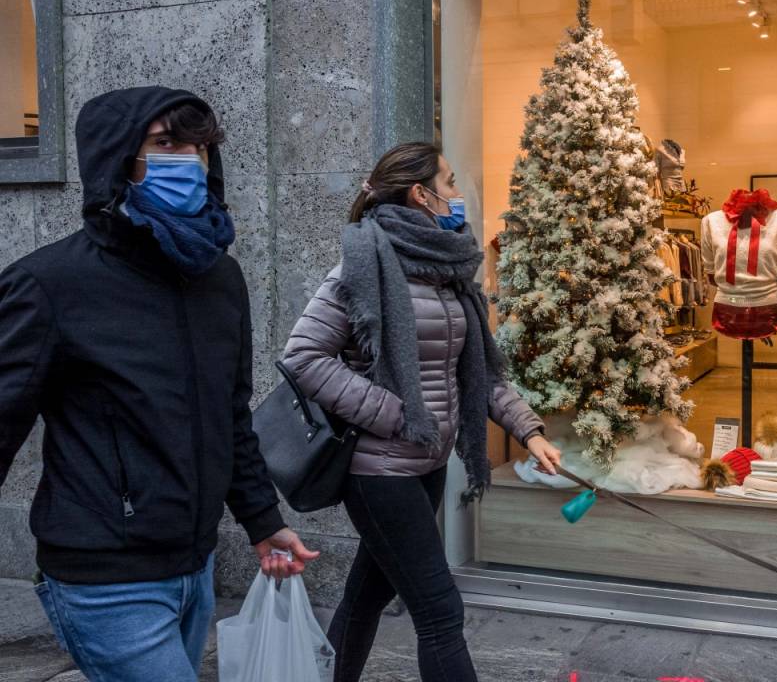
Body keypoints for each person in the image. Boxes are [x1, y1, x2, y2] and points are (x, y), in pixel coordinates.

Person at [0, 87, 317, 682]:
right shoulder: (50, 284)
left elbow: (230, 415)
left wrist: (262, 521)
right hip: (103, 577)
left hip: (193, 567)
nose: (189, 161)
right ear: (117, 158)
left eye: (199, 146)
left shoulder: (219, 278)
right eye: (166, 143)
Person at [280, 141, 562, 682]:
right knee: (440, 611)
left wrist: (528, 431)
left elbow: (475, 371)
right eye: (451, 183)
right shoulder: (363, 265)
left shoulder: (447, 271)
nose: (458, 195)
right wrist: (394, 413)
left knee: (366, 595)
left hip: (426, 464)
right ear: (422, 194)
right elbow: (303, 356)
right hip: (377, 471)